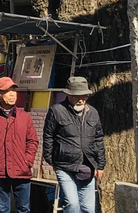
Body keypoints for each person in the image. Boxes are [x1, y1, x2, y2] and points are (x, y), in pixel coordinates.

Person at [43, 76, 106, 213]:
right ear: (69, 95)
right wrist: (50, 159)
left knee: (88, 209)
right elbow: (48, 136)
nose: (81, 99)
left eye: (84, 96)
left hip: (87, 166)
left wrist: (100, 165)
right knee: (72, 204)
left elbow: (98, 139)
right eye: (77, 96)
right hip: (64, 165)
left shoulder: (93, 113)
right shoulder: (57, 111)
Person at [0, 77, 38, 213]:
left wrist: (27, 161)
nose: (12, 94)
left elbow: (32, 141)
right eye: (7, 91)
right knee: (2, 209)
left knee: (23, 208)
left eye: (14, 91)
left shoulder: (25, 117)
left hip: (22, 170)